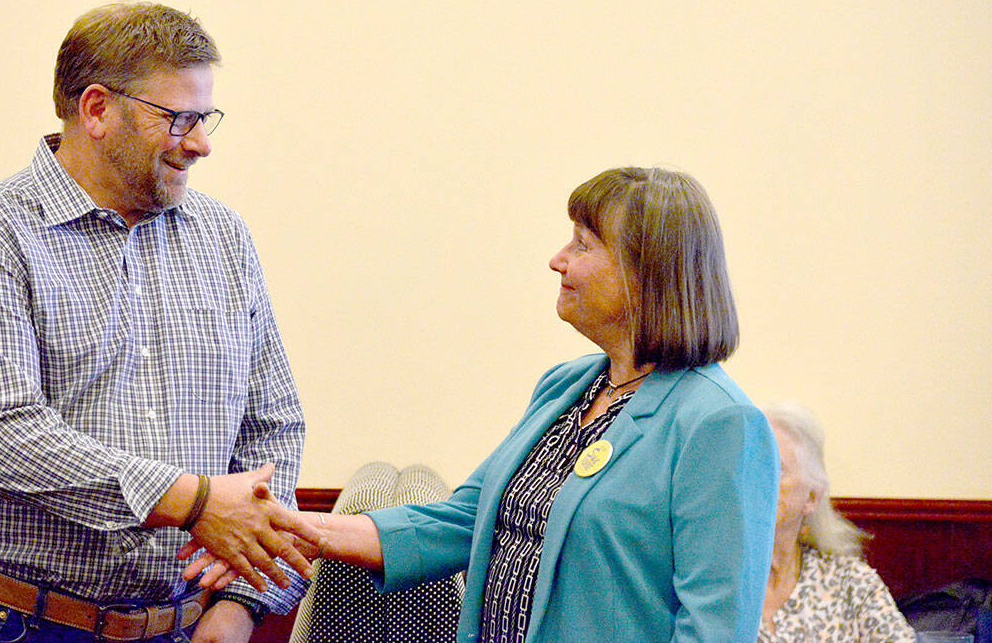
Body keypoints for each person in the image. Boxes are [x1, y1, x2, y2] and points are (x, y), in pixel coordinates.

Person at [194, 166, 781, 642]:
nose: (558, 260)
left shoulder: (720, 424)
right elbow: (459, 523)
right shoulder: (566, 386)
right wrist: (297, 528)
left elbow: (715, 628)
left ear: (644, 271)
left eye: (582, 244)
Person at [0, 2, 320, 643]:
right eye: (178, 118)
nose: (201, 143)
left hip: (189, 625)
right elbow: (2, 434)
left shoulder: (223, 237)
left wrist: (241, 605)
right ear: (97, 109)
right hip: (14, 622)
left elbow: (275, 426)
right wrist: (194, 504)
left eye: (205, 117)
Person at [758, 401, 915, 642]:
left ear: (811, 497)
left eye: (774, 469)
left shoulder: (851, 584)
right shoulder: (710, 582)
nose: (756, 480)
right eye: (749, 467)